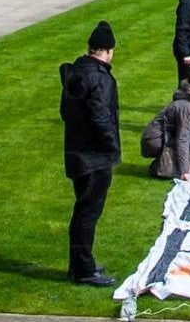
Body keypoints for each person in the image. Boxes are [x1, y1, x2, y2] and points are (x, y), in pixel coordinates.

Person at [58, 21, 120, 285]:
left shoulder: (77, 73)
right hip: (93, 157)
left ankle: (80, 264)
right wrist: (111, 146)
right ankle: (83, 269)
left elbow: (65, 113)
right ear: (108, 51)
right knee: (87, 213)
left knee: (83, 211)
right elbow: (101, 116)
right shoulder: (98, 77)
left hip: (77, 152)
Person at [145, 70, 190, 181]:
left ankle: (171, 165)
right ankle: (165, 167)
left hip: (164, 136)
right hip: (155, 140)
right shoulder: (187, 107)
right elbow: (182, 138)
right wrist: (184, 171)